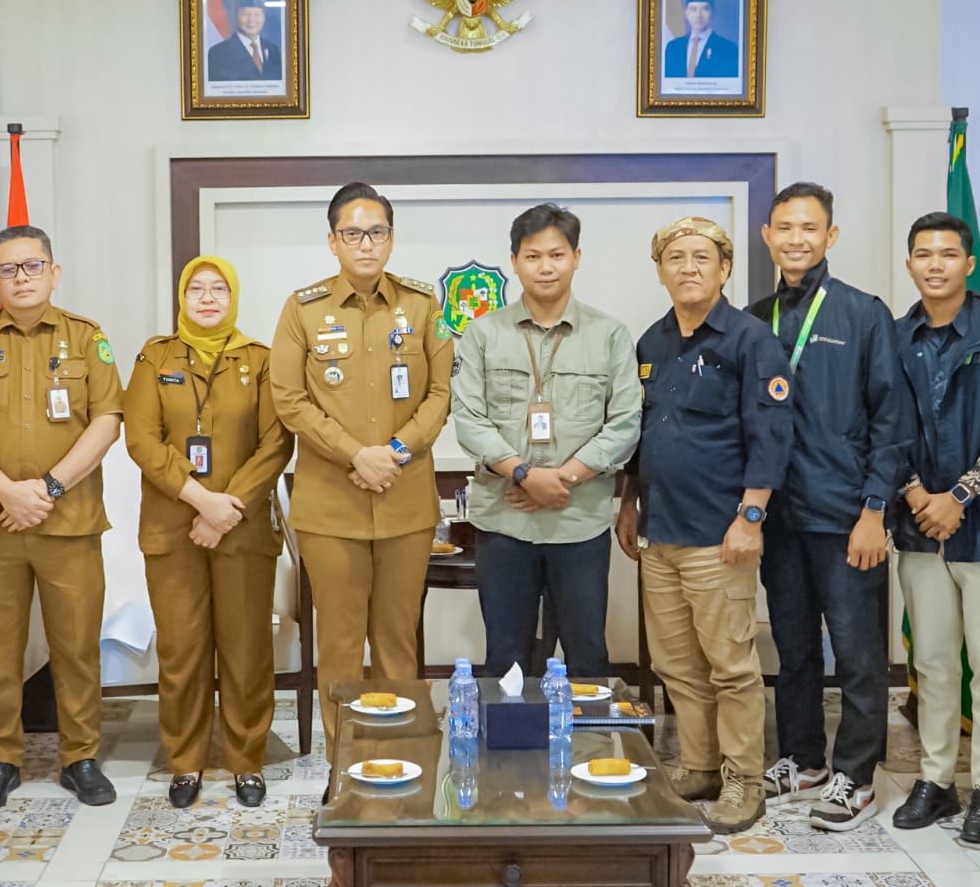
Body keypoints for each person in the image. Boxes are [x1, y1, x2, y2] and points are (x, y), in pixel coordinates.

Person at [0, 225, 124, 811]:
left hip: (68, 521)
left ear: (54, 272)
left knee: (76, 645)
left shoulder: (87, 339)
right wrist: (3, 491)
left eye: (32, 266)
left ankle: (81, 756)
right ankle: (0, 758)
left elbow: (108, 420)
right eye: (8, 269)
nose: (21, 277)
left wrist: (46, 486)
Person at [617, 216, 792, 835]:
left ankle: (745, 778)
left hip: (720, 536)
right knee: (677, 666)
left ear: (724, 269)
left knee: (731, 665)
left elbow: (772, 435)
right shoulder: (651, 342)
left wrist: (750, 517)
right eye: (675, 258)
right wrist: (628, 500)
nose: (687, 268)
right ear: (660, 269)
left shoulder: (751, 340)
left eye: (701, 258)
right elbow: (641, 435)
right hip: (659, 531)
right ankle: (700, 767)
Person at [747, 181, 910, 831]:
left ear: (830, 236)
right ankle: (803, 758)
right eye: (784, 227)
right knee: (792, 650)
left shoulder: (864, 314)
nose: (795, 239)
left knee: (859, 655)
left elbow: (891, 422)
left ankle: (857, 777)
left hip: (847, 519)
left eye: (808, 228)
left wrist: (875, 509)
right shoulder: (756, 317)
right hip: (780, 519)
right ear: (767, 235)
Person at [270, 182, 453, 747]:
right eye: (353, 233)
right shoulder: (302, 309)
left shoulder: (426, 306)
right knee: (341, 641)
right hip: (331, 504)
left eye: (376, 232)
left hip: (405, 500)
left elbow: (441, 394)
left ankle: (404, 754)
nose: (365, 244)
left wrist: (392, 454)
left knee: (399, 639)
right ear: (332, 241)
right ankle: (344, 762)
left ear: (391, 239)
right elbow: (288, 397)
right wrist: (356, 455)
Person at [123, 255, 294, 810]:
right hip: (174, 530)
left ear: (233, 296)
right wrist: (201, 501)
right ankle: (186, 761)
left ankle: (247, 760)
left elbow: (276, 443)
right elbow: (142, 440)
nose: (207, 297)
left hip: (242, 532)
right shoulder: (155, 357)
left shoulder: (261, 360)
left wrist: (230, 507)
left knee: (246, 651)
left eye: (218, 288)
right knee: (182, 652)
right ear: (182, 296)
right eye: (196, 288)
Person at [889, 212, 980, 849]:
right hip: (919, 526)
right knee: (931, 661)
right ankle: (935, 780)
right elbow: (881, 428)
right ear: (910, 264)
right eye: (923, 254)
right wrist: (919, 493)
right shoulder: (894, 338)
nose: (935, 264)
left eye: (948, 254)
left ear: (968, 264)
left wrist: (962, 495)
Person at [451, 203, 640, 679]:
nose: (546, 267)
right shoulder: (482, 334)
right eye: (533, 256)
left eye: (556, 254)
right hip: (503, 521)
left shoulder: (610, 335)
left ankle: (592, 753)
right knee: (505, 659)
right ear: (514, 261)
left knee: (587, 655)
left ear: (577, 257)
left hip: (578, 522)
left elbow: (625, 424)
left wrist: (563, 479)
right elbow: (469, 419)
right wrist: (523, 473)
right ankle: (507, 755)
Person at [206, 0, 284, 83]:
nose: (251, 20)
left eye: (256, 14)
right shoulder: (218, 53)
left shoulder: (273, 51)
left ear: (264, 17)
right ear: (236, 16)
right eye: (245, 14)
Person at [662, 0, 739, 79]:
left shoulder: (728, 50)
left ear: (713, 11)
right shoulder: (673, 47)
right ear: (686, 13)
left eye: (705, 9)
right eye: (693, 9)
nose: (698, 15)